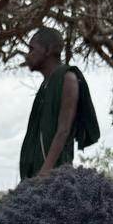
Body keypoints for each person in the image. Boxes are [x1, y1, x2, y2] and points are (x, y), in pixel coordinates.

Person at [19, 28, 101, 180]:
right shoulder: (45, 86)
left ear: (48, 50)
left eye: (32, 49)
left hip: (54, 176)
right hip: (36, 173)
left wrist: (45, 172)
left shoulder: (67, 79)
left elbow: (63, 130)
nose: (27, 55)